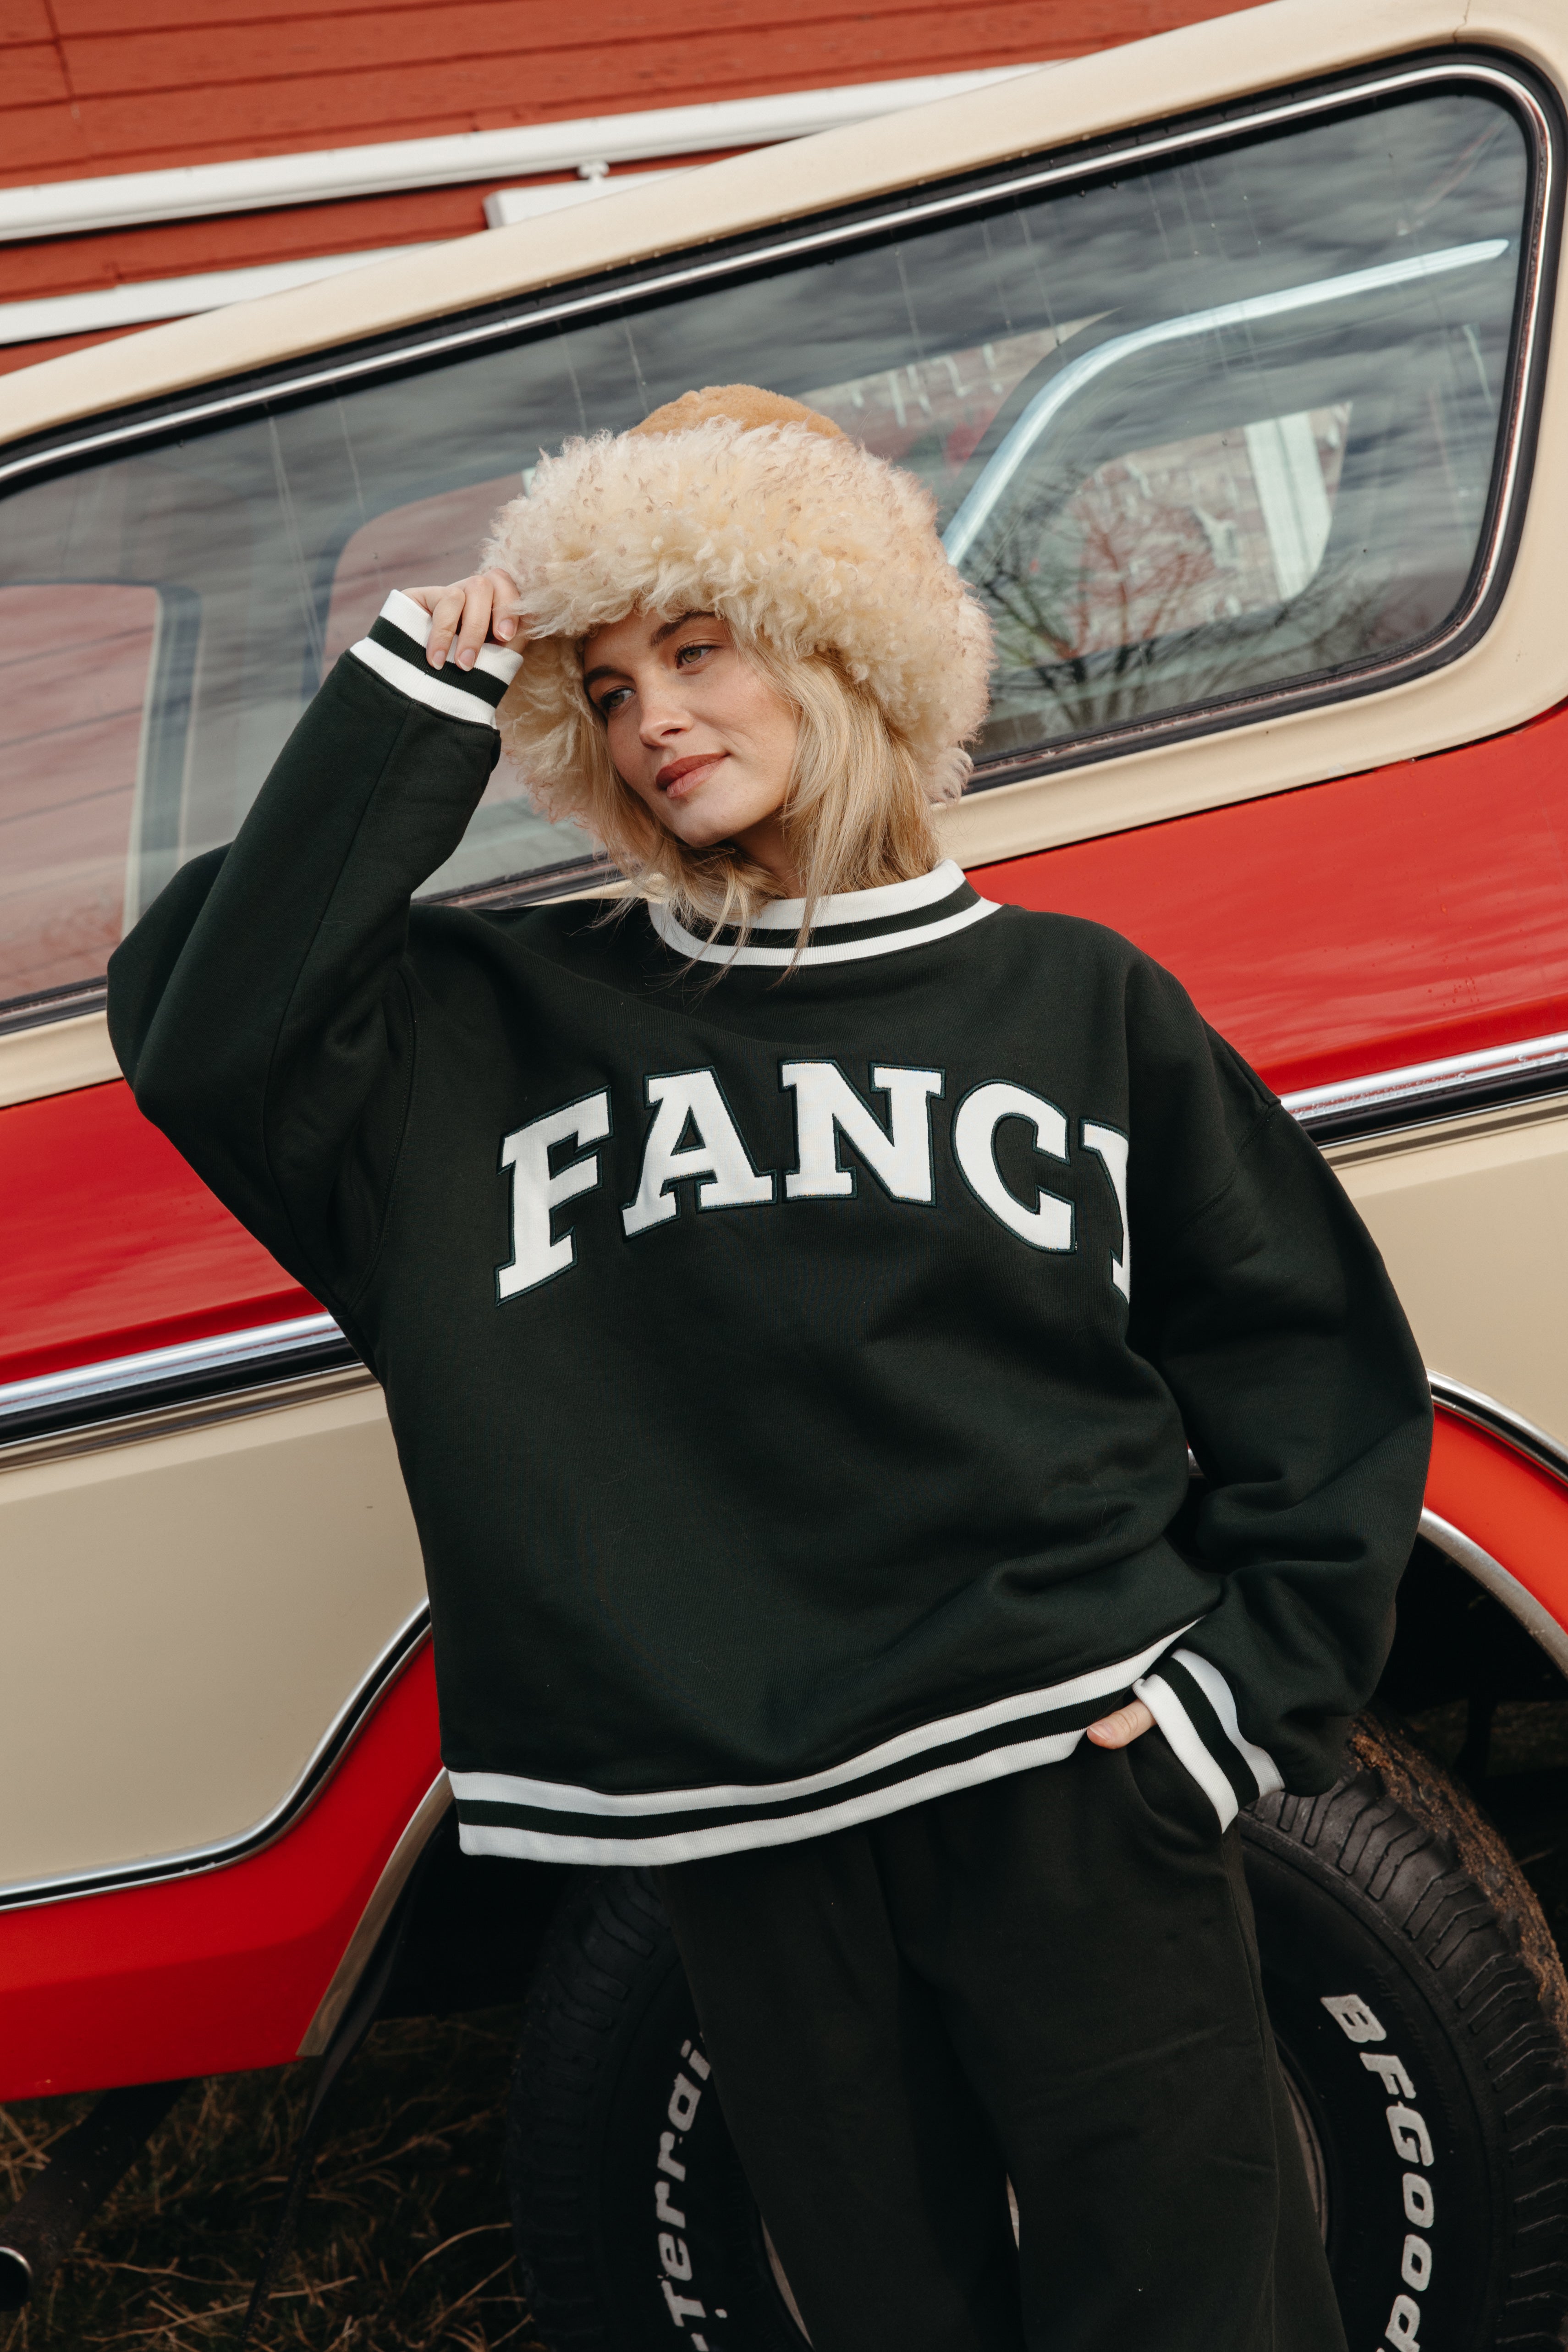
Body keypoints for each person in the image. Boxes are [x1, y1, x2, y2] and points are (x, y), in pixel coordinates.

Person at [107, 384, 1431, 2352]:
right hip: (741, 1825)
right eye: (608, 684)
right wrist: (419, 692)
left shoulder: (1075, 1000)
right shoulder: (506, 1029)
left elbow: (1308, 1363)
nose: (656, 714)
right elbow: (207, 1026)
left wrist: (1225, 1705)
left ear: (839, 646)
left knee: (1198, 2304)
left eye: (702, 647)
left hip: (1073, 1774)